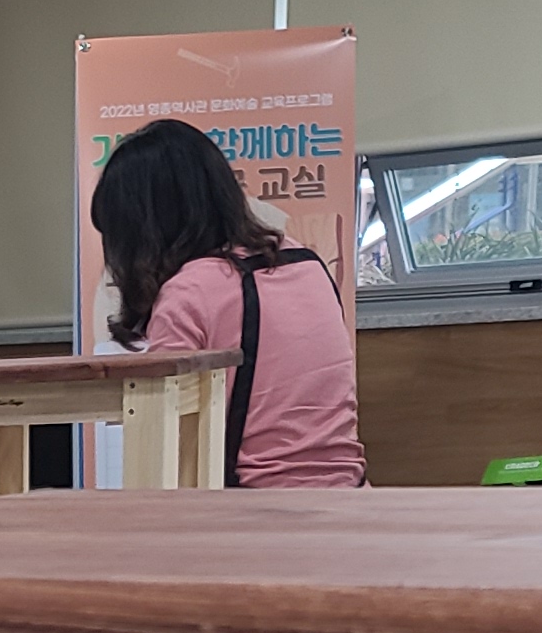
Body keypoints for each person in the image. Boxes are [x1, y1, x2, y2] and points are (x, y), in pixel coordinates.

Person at [87, 117, 365, 487]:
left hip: (253, 508)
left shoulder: (189, 292)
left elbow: (166, 445)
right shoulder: (308, 264)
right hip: (350, 494)